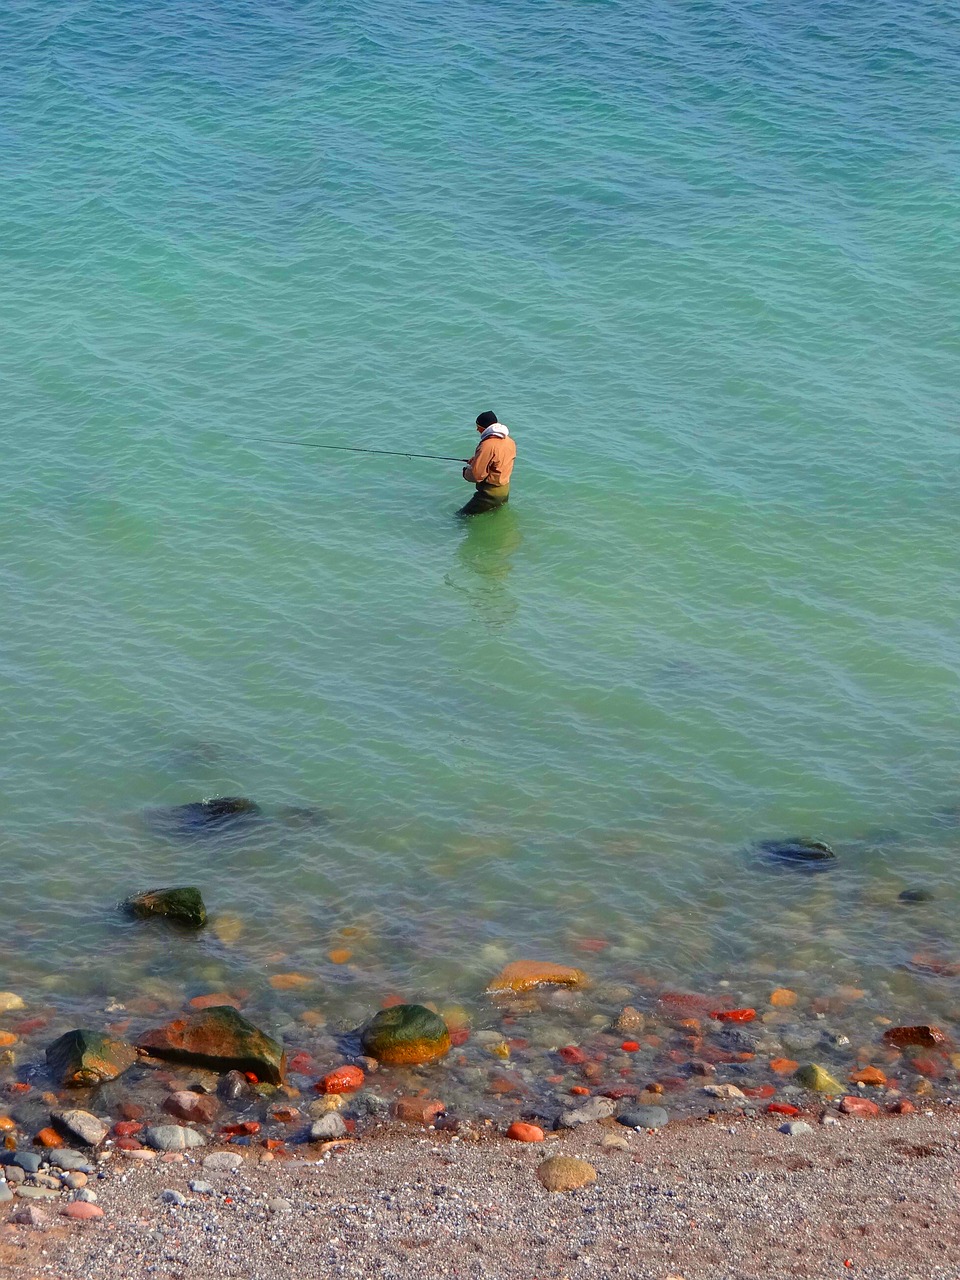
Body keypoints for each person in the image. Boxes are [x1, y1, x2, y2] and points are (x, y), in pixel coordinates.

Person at [458, 411, 517, 516]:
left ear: (485, 428)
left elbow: (477, 475)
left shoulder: (487, 445)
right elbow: (497, 462)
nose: (477, 429)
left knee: (461, 516)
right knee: (495, 515)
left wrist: (466, 471)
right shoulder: (509, 441)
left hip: (490, 494)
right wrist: (476, 460)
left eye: (478, 427)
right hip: (504, 490)